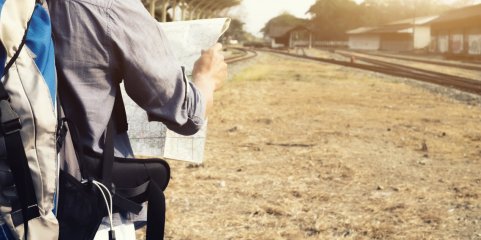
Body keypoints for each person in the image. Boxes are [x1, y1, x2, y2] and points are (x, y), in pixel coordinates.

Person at [46, 0, 227, 235]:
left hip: (13, 198)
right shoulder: (111, 7)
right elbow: (187, 113)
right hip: (89, 209)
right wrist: (207, 78)